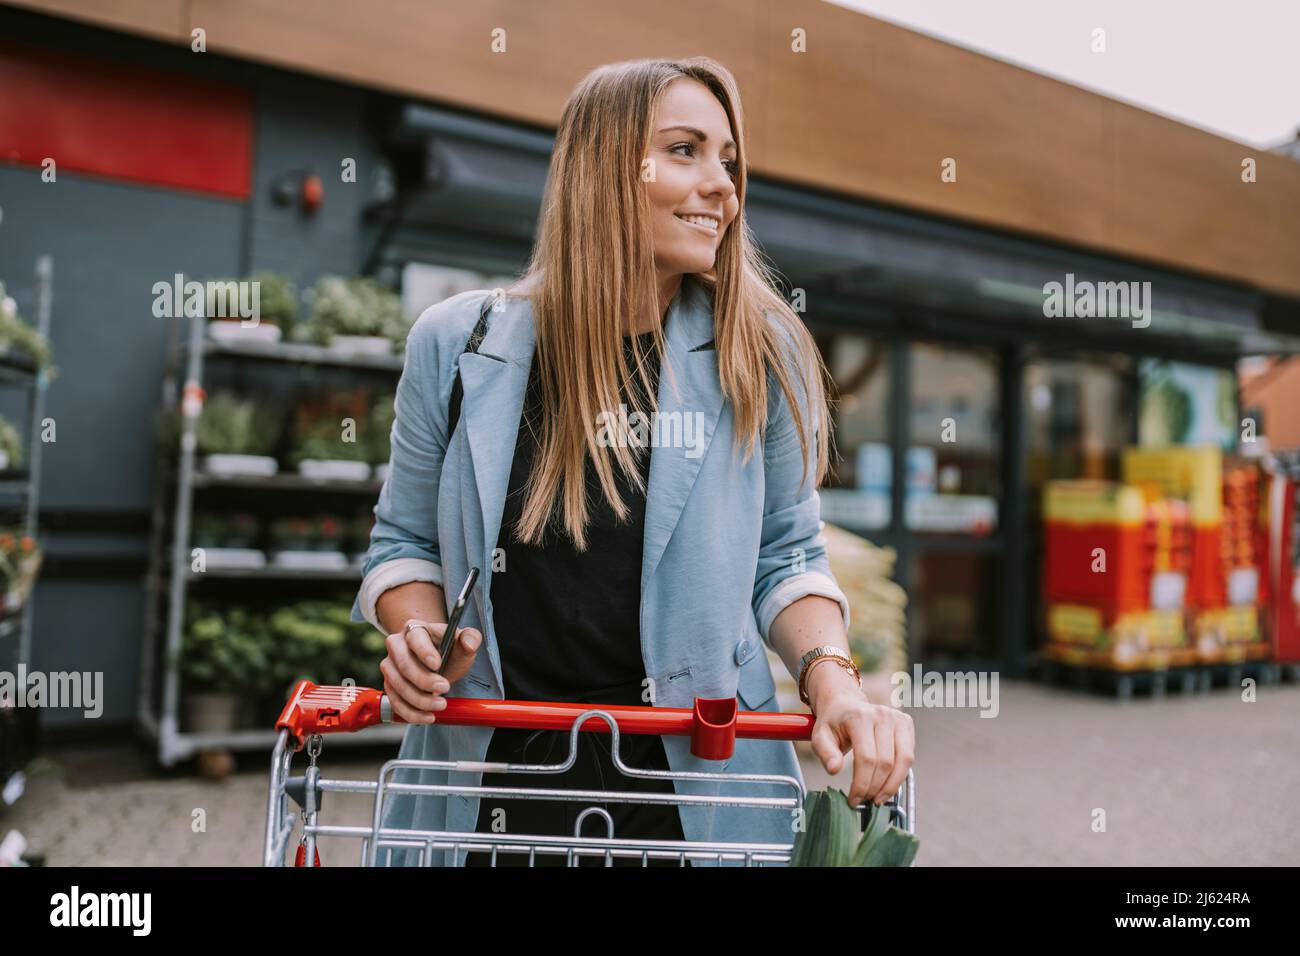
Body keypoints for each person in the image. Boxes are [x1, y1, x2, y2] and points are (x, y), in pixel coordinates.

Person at [352, 56, 914, 867]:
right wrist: (417, 636)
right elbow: (402, 542)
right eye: (685, 150)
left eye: (729, 159)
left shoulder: (758, 352)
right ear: (604, 169)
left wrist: (835, 683)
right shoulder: (456, 345)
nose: (722, 184)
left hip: (694, 796)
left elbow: (786, 556)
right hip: (492, 790)